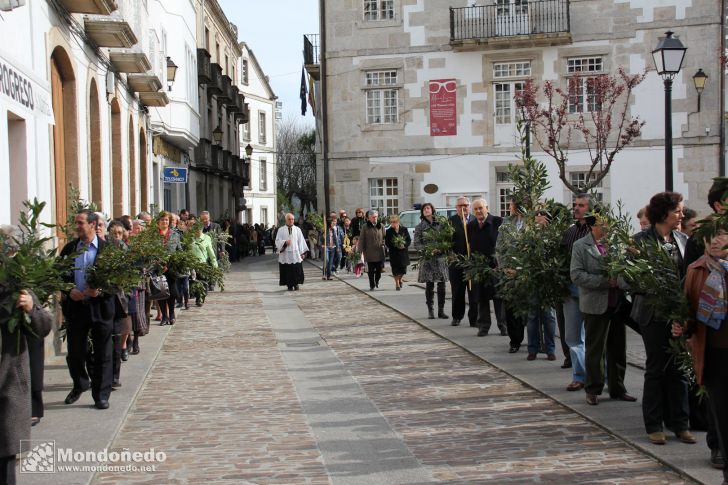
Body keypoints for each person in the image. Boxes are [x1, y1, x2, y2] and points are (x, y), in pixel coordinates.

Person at [631, 191, 694, 445]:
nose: (682, 214)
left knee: (679, 369)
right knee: (656, 368)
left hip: (677, 313)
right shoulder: (639, 241)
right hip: (652, 313)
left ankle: (680, 423)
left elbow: (687, 276)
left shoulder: (682, 239)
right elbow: (628, 278)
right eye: (678, 210)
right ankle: (654, 424)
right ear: (663, 213)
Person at [1, 225, 53, 485]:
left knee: (5, 461)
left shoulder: (17, 289)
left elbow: (44, 326)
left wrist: (31, 309)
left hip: (9, 383)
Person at [676, 229, 728, 483]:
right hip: (713, 352)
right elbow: (686, 308)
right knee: (720, 410)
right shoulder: (696, 270)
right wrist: (681, 325)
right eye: (712, 236)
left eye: (722, 235)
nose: (716, 240)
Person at [570, 211, 636, 405]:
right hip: (595, 304)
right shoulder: (581, 246)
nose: (607, 228)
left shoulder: (616, 245)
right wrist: (604, 281)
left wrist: (621, 281)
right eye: (602, 224)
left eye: (608, 224)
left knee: (618, 348)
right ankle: (593, 388)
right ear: (592, 226)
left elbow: (626, 270)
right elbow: (576, 275)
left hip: (617, 304)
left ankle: (617, 388)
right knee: (595, 349)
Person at [60, 210, 116, 410]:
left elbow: (119, 280)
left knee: (103, 352)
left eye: (80, 222)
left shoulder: (108, 250)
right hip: (76, 307)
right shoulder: (69, 249)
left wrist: (101, 289)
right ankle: (80, 383)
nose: (77, 226)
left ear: (93, 224)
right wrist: (69, 289)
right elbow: (58, 275)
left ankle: (101, 394)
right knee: (75, 353)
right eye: (76, 222)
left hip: (100, 307)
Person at [560, 194, 592, 391]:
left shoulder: (597, 231)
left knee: (594, 337)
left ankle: (598, 376)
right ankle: (579, 375)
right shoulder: (570, 232)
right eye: (575, 205)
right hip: (570, 288)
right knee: (572, 336)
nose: (577, 208)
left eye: (581, 205)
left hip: (590, 290)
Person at [466, 199, 503, 336]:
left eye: (480, 208)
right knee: (481, 298)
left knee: (499, 297)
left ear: (486, 207)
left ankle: (502, 325)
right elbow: (470, 247)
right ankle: (484, 326)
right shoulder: (471, 225)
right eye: (475, 209)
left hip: (496, 267)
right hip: (479, 267)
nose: (478, 211)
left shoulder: (498, 222)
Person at [499, 197, 526, 353]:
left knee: (526, 309)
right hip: (508, 272)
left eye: (511, 205)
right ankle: (514, 340)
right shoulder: (506, 223)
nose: (509, 207)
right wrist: (504, 267)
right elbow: (499, 245)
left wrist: (521, 269)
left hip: (526, 272)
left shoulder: (531, 223)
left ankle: (535, 342)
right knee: (510, 307)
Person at [413, 203, 450, 319]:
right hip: (428, 259)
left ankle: (441, 310)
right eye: (424, 209)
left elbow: (448, 239)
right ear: (422, 212)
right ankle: (431, 310)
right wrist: (427, 251)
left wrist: (442, 248)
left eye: (428, 208)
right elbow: (417, 243)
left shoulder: (442, 224)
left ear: (432, 210)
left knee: (441, 285)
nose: (426, 210)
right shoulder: (419, 227)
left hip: (440, 258)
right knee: (429, 285)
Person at [449, 197, 476, 327]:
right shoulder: (451, 221)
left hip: (472, 262)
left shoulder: (475, 220)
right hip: (456, 263)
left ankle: (474, 319)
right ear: (456, 208)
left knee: (473, 292)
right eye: (460, 206)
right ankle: (457, 316)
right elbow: (446, 242)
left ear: (469, 206)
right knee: (458, 292)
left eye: (465, 205)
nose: (463, 208)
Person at [157, 211, 182, 326]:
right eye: (162, 220)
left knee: (171, 292)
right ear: (158, 222)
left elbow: (179, 250)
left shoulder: (175, 234)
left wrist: (178, 261)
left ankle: (171, 314)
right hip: (158, 268)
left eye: (167, 220)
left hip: (171, 268)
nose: (165, 222)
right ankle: (164, 316)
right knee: (161, 292)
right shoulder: (153, 235)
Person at [276, 213, 308, 291]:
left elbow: (301, 241)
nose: (291, 221)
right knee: (287, 270)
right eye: (289, 219)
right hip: (285, 254)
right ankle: (289, 285)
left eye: (292, 219)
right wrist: (285, 242)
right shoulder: (281, 229)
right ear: (286, 220)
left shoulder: (297, 229)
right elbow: (277, 241)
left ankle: (296, 284)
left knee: (296, 269)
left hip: (295, 253)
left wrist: (302, 253)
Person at [359, 210, 386, 291]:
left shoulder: (381, 226)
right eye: (373, 217)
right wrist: (360, 251)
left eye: (376, 217)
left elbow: (385, 237)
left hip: (379, 252)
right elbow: (362, 239)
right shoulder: (365, 226)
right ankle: (372, 285)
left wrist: (384, 244)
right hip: (369, 252)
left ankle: (377, 280)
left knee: (379, 270)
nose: (375, 218)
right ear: (369, 218)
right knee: (370, 271)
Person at [385, 214, 411, 291]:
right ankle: (397, 284)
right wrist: (395, 245)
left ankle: (400, 279)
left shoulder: (404, 229)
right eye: (391, 222)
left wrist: (404, 245)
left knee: (403, 270)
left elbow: (408, 240)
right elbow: (387, 243)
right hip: (394, 253)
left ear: (398, 222)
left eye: (395, 222)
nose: (393, 224)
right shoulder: (388, 231)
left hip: (403, 253)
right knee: (395, 269)